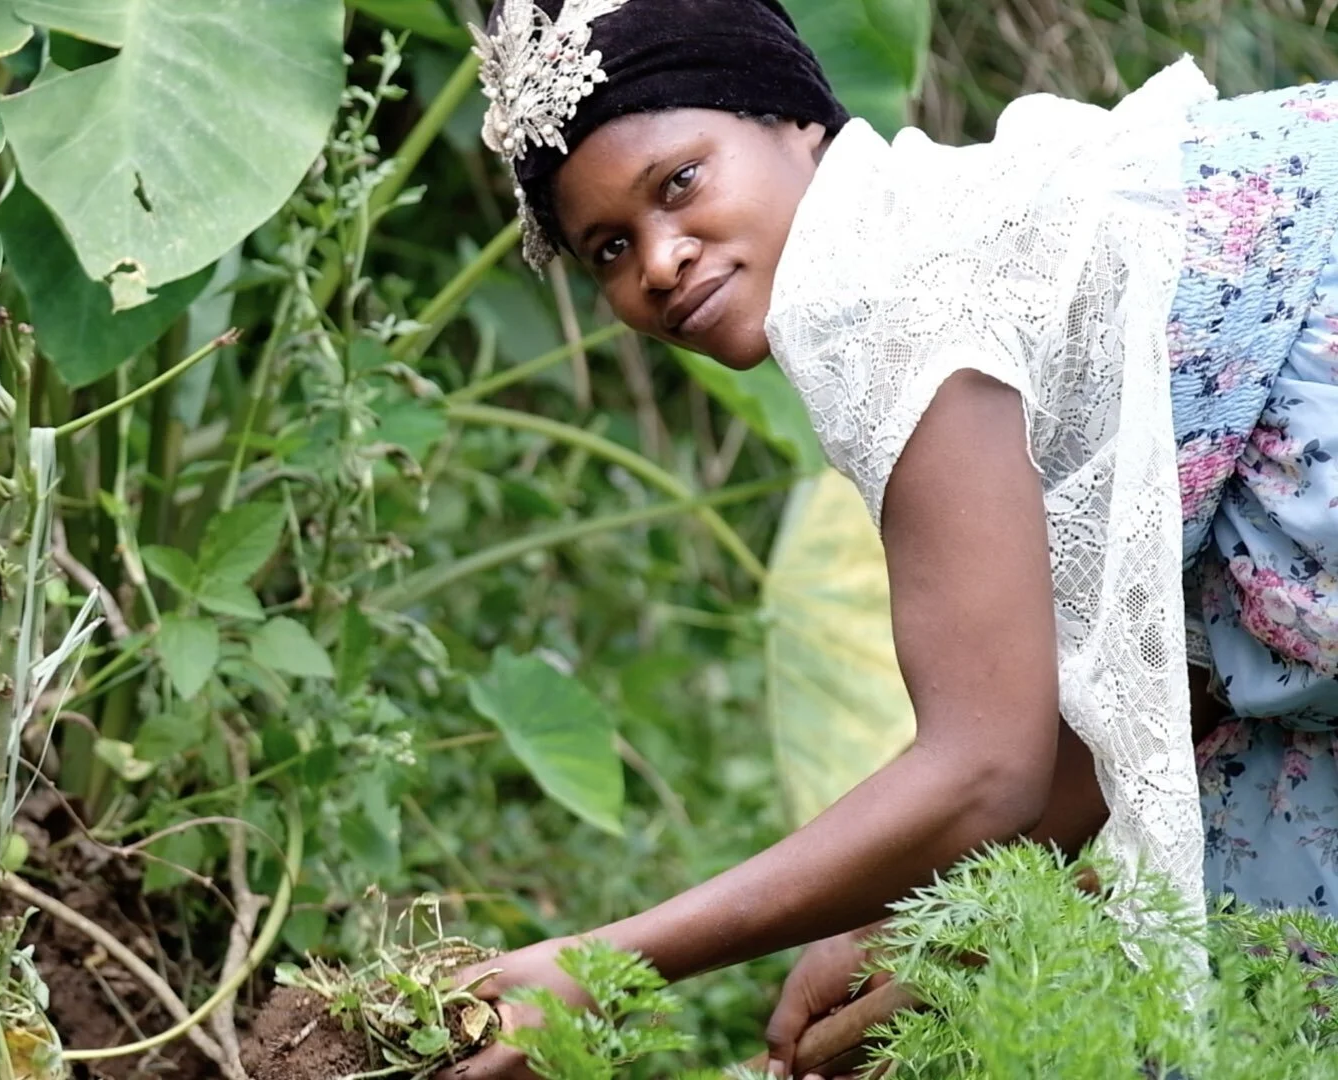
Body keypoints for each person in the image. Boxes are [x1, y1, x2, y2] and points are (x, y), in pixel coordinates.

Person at [436, 1, 1338, 1077]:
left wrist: (593, 965)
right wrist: (915, 924)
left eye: (679, 184)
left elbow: (985, 768)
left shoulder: (881, 284)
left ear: (794, 122)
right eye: (609, 250)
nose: (660, 262)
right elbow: (1155, 691)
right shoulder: (944, 213)